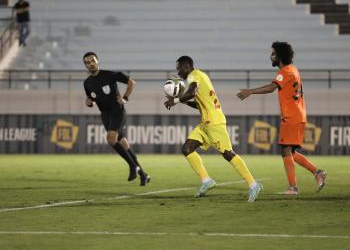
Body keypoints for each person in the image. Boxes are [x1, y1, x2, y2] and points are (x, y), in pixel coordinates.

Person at [164, 56, 263, 202]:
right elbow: (198, 103)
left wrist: (175, 100)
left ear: (186, 66)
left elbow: (191, 92)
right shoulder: (200, 76)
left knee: (228, 153)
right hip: (205, 123)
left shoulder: (194, 76)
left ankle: (254, 185)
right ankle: (206, 181)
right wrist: (182, 103)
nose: (178, 73)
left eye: (179, 69)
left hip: (214, 122)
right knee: (187, 148)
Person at [237, 41, 327, 195]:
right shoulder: (294, 70)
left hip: (291, 117)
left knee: (285, 151)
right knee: (289, 152)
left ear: (279, 56)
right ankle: (317, 172)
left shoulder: (284, 72)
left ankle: (293, 188)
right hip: (297, 115)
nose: (270, 56)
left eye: (273, 54)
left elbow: (272, 87)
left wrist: (250, 91)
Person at [83, 52, 150, 186]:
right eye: (87, 62)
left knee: (110, 139)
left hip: (117, 112)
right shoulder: (87, 83)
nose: (90, 64)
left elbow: (131, 82)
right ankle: (143, 175)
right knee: (125, 146)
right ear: (85, 65)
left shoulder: (110, 74)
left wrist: (125, 98)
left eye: (92, 61)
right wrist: (89, 102)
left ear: (98, 61)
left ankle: (132, 166)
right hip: (105, 116)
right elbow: (92, 99)